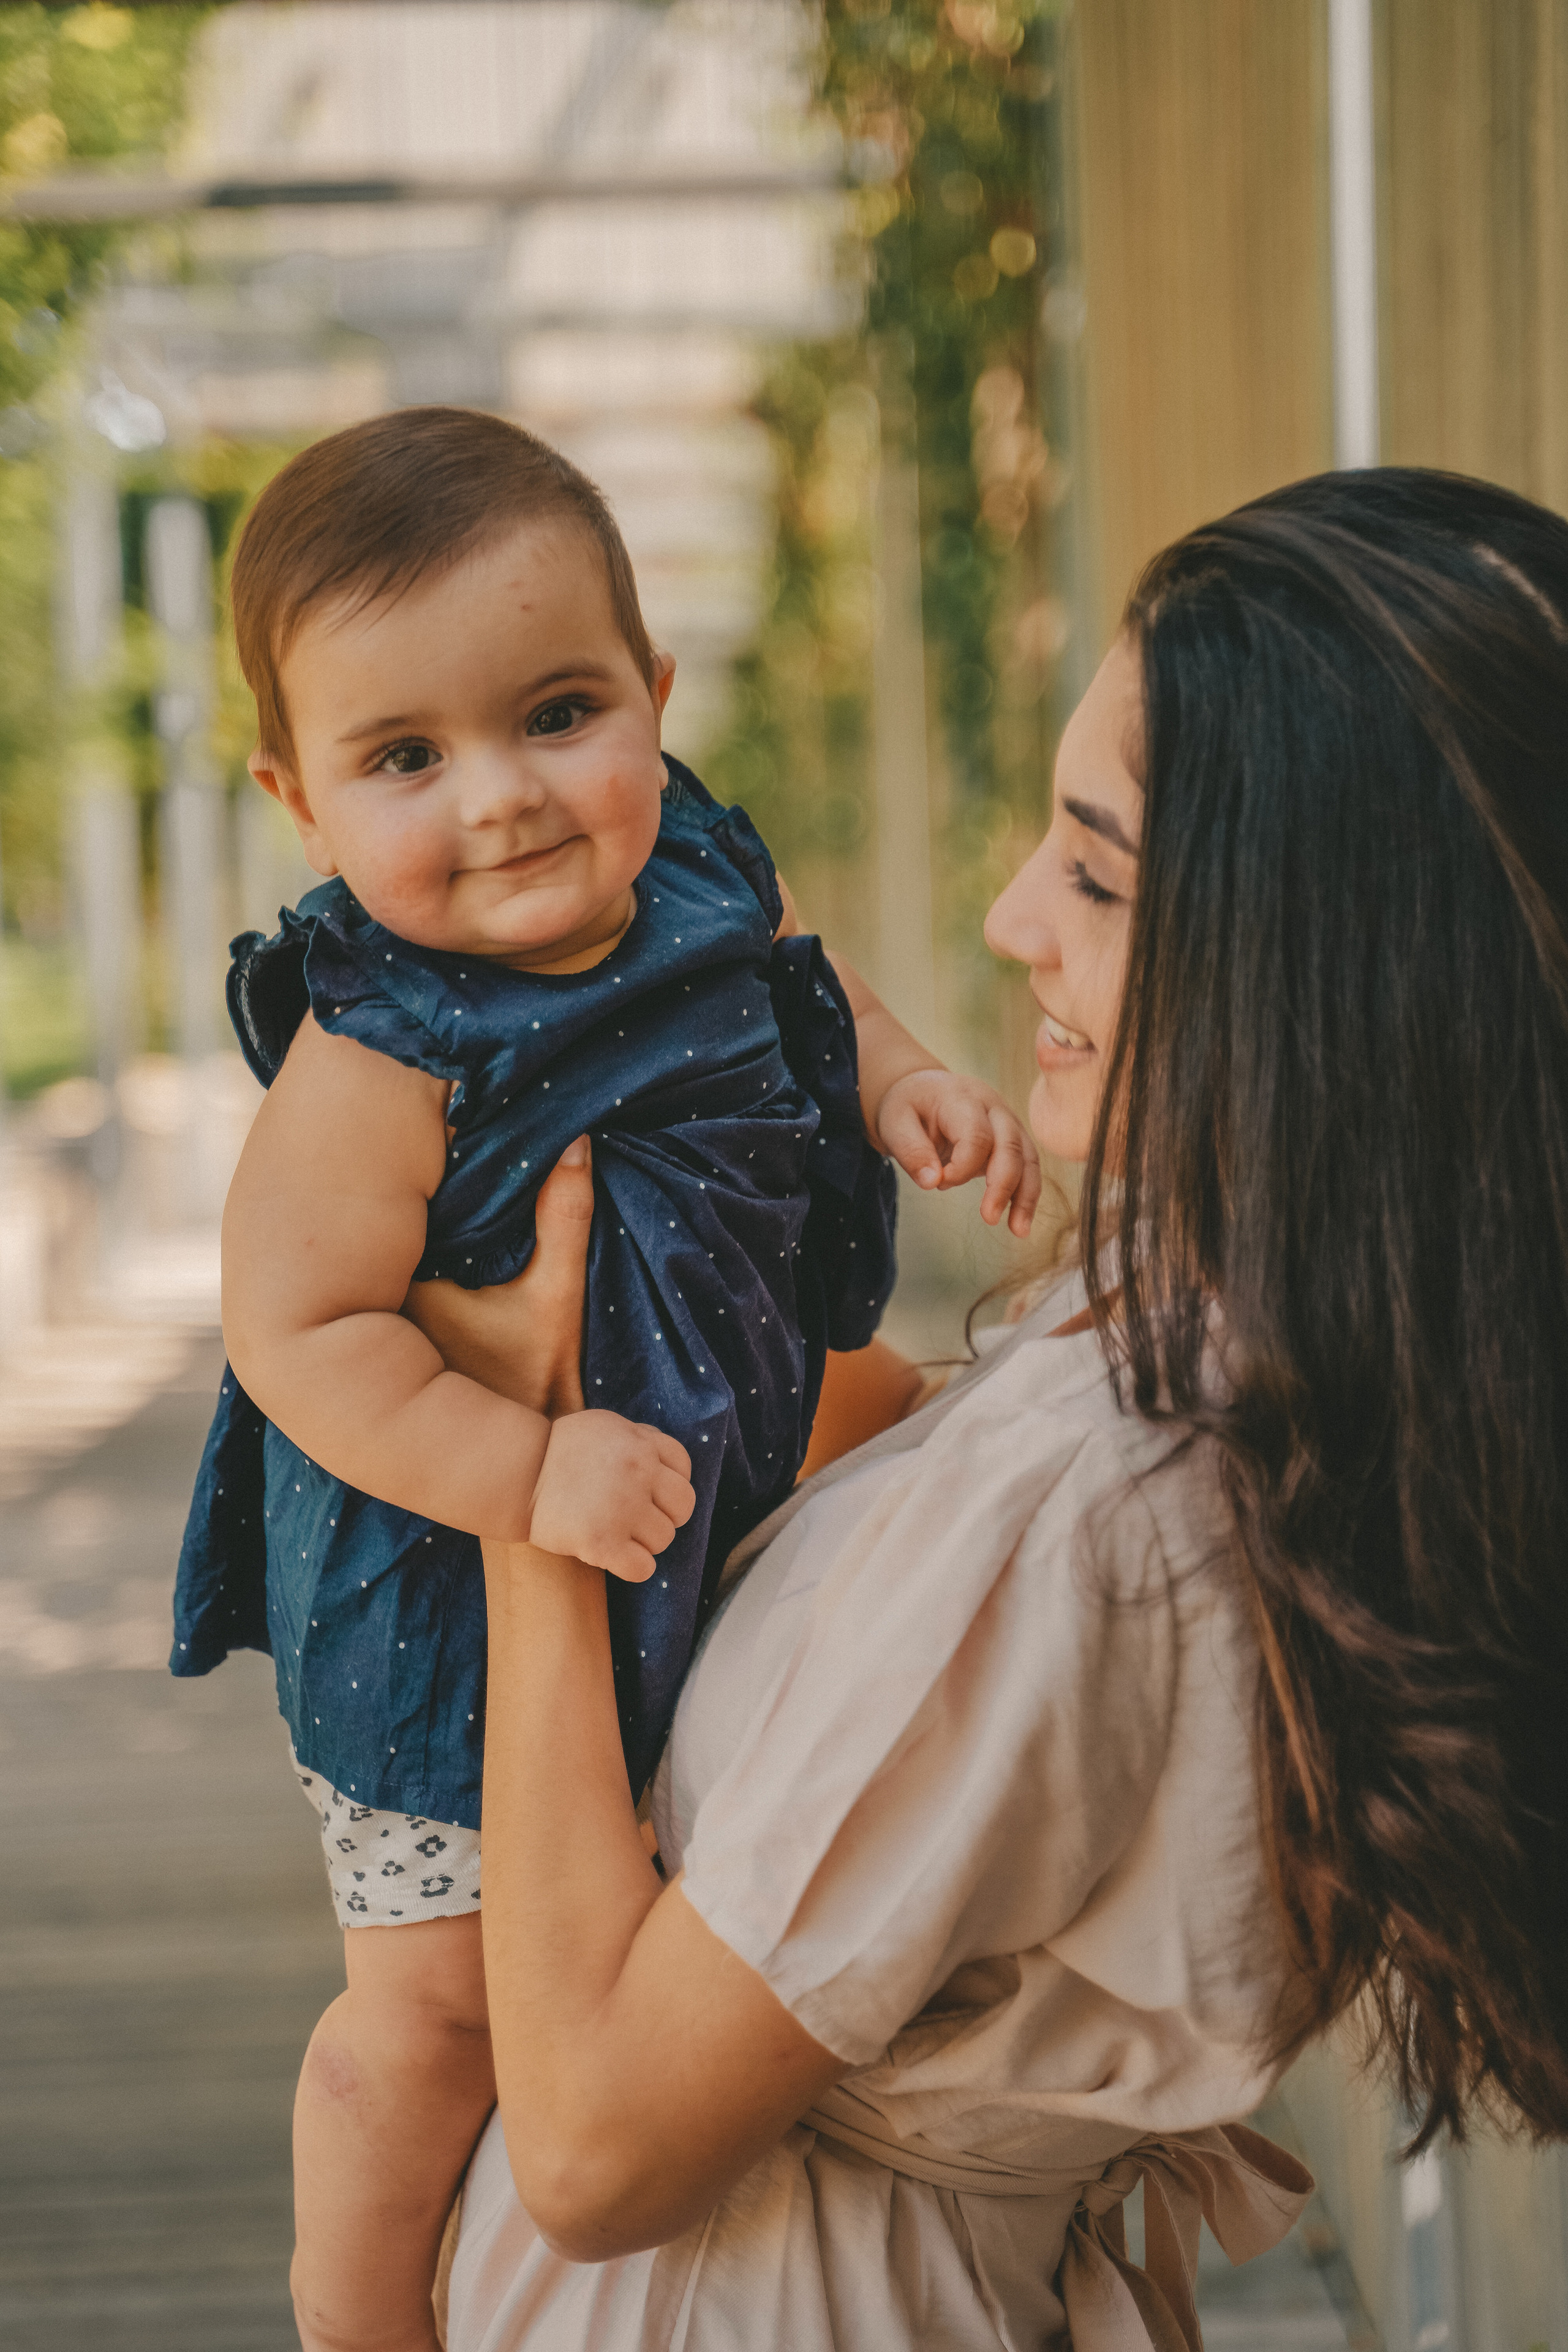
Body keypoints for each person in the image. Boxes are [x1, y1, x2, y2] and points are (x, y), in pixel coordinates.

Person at [408, 469, 1568, 2352]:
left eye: (1101, 876)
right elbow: (903, 1543)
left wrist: (526, 1486)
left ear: (1333, 968)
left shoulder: (1105, 1489)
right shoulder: (1298, 1355)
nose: (1014, 913)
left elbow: (603, 2147)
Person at [168, 405, 1041, 2352]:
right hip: (442, 1576)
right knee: (439, 2019)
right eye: (405, 756)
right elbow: (297, 1331)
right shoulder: (382, 1040)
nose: (502, 797)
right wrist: (517, 1474)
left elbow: (819, 987)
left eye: (559, 713)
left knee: (659, 1900)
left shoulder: (710, 858)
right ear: (299, 801)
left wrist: (905, 1088)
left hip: (706, 1455)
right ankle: (365, 2319)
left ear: (654, 691)